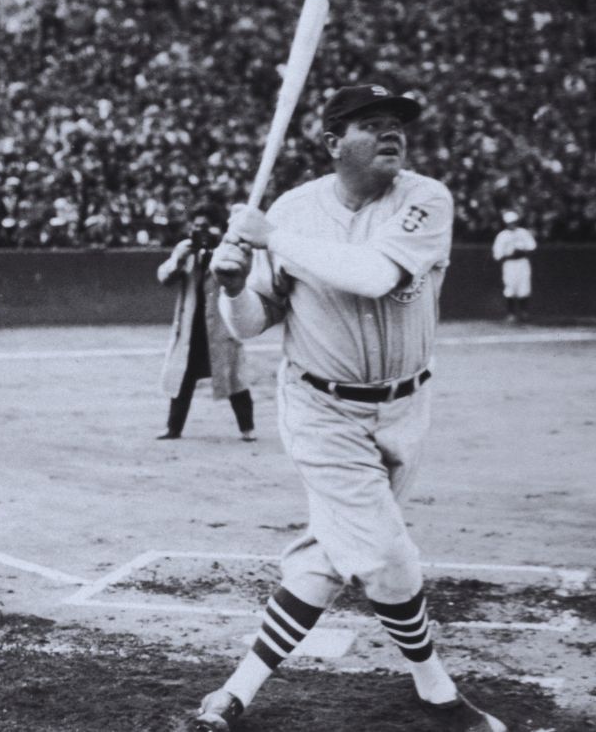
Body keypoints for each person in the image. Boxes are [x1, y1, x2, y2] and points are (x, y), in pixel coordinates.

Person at [195, 84, 506, 732]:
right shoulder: (293, 208)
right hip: (321, 410)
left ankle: (233, 692)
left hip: (407, 406)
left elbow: (373, 275)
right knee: (386, 554)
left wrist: (272, 237)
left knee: (330, 555)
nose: (392, 133)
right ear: (334, 143)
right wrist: (232, 286)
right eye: (372, 124)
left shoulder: (425, 199)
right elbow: (250, 323)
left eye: (397, 124)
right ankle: (438, 694)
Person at [155, 215, 255, 442]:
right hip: (192, 326)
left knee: (234, 377)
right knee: (183, 377)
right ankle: (173, 427)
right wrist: (178, 259)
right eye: (197, 226)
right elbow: (164, 278)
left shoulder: (228, 251)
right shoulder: (185, 251)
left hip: (221, 326)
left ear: (217, 229)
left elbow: (243, 278)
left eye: (205, 226)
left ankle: (247, 428)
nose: (200, 231)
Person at [491, 210, 537, 323]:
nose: (512, 224)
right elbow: (497, 254)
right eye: (510, 222)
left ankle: (524, 313)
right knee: (510, 287)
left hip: (522, 262)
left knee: (524, 287)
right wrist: (509, 254)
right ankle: (511, 314)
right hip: (509, 264)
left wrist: (521, 250)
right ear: (506, 223)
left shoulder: (523, 233)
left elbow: (532, 246)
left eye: (514, 222)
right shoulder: (502, 236)